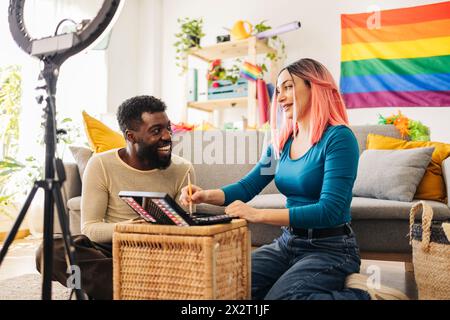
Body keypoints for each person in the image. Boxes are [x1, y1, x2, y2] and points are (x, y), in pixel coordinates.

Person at [180, 58, 408, 300]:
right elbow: (247, 187)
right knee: (225, 283)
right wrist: (206, 195)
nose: (279, 98)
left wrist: (259, 215)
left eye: (288, 87)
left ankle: (366, 296)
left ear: (315, 87)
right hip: (288, 242)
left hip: (331, 249)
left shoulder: (339, 138)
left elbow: (330, 210)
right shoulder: (282, 142)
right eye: (278, 90)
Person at [36, 95, 195, 299]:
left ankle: (110, 289)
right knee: (50, 250)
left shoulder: (183, 169)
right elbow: (91, 228)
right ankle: (134, 290)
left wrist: (185, 212)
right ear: (131, 136)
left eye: (168, 128)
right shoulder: (101, 164)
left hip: (157, 254)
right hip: (111, 250)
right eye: (156, 131)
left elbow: (189, 238)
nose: (167, 136)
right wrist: (130, 228)